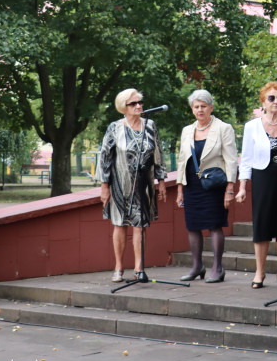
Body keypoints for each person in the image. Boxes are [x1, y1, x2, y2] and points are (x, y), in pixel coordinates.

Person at [236, 82, 277, 290]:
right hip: (262, 178)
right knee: (262, 223)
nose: (276, 102)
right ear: (263, 101)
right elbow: (245, 159)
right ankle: (260, 271)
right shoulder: (251, 126)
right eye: (271, 98)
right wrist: (242, 187)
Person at [98, 88, 167, 283]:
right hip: (120, 184)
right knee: (120, 224)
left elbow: (158, 155)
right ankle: (119, 267)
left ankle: (139, 268)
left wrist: (161, 181)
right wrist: (104, 186)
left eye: (140, 102)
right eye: (133, 103)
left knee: (140, 225)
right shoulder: (115, 128)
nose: (138, 106)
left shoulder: (150, 125)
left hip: (144, 184)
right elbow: (105, 158)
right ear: (123, 107)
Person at [175, 89, 238, 283]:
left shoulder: (223, 128)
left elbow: (231, 160)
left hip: (214, 185)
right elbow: (181, 160)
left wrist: (230, 189)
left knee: (214, 225)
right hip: (191, 185)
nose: (200, 110)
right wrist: (179, 189)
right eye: (196, 106)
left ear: (211, 107)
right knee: (193, 226)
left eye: (203, 106)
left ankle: (217, 268)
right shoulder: (187, 130)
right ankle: (197, 266)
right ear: (192, 109)